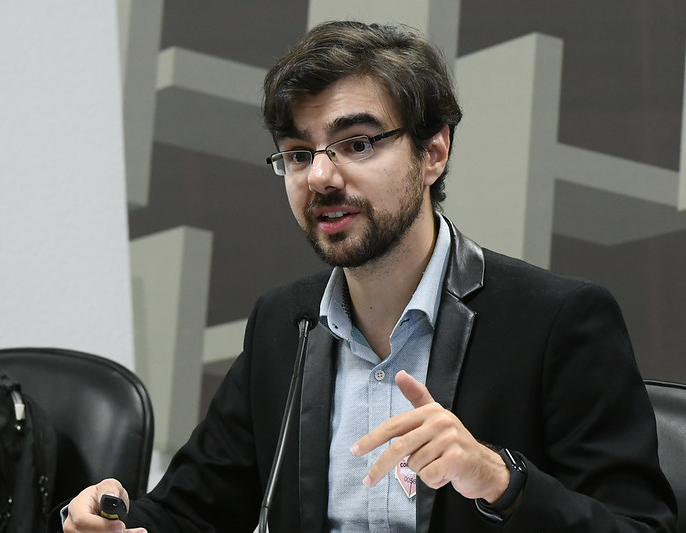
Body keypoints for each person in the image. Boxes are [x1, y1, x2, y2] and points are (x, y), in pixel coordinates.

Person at [63, 20, 677, 533]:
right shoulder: (285, 325)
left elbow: (639, 526)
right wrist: (112, 520)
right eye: (298, 153)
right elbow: (192, 512)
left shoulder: (556, 321)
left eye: (356, 144)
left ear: (433, 152)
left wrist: (500, 481)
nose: (320, 177)